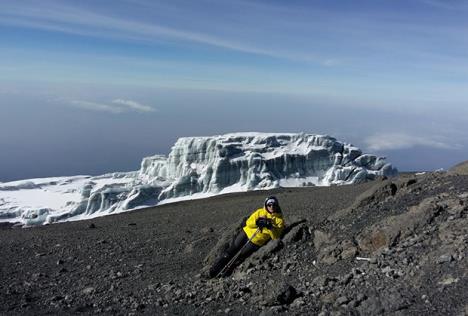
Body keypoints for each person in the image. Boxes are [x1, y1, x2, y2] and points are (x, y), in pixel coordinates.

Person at [209, 196, 285, 278]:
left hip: (255, 242)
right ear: (266, 205)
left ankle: (226, 271)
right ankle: (216, 268)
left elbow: (276, 237)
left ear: (277, 205)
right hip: (245, 233)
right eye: (269, 205)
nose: (271, 207)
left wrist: (270, 227)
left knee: (239, 256)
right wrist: (257, 222)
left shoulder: (279, 220)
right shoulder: (260, 212)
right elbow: (249, 222)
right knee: (231, 250)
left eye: (273, 204)